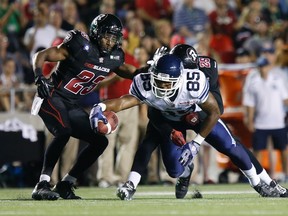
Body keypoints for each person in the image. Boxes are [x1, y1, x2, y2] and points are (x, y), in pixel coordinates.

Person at [89, 52, 288, 200]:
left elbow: (215, 111)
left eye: (168, 83)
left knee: (230, 146)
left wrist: (196, 143)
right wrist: (101, 105)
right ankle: (185, 171)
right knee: (174, 169)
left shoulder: (193, 83)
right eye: (159, 81)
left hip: (196, 115)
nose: (162, 87)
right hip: (169, 120)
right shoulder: (147, 84)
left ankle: (261, 183)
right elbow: (125, 101)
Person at [31, 13, 138, 201]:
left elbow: (128, 70)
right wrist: (39, 76)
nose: (110, 41)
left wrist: (150, 71)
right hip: (51, 96)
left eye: (114, 38)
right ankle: (42, 183)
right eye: (107, 36)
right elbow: (42, 55)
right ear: (96, 33)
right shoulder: (80, 46)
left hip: (71, 103)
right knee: (63, 132)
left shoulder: (114, 57)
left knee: (100, 142)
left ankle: (66, 183)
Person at [243, 55, 288, 181]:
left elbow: (285, 99)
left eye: (264, 66)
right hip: (261, 122)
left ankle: (286, 174)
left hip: (278, 122)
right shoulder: (254, 83)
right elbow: (250, 104)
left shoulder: (278, 80)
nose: (262, 69)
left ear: (269, 67)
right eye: (260, 67)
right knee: (257, 150)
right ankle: (257, 175)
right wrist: (250, 120)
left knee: (283, 149)